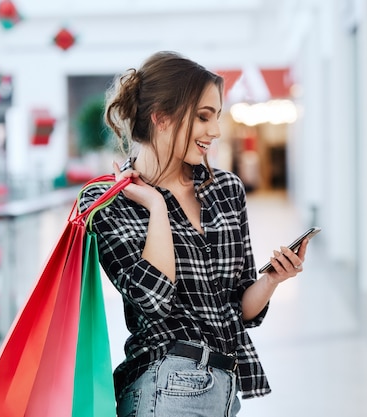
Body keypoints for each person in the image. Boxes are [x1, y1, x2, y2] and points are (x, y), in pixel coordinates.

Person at [79, 51, 308, 417]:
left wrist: (272, 280)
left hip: (224, 388)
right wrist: (156, 207)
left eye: (216, 116)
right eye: (203, 117)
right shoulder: (107, 201)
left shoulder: (226, 190)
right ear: (161, 118)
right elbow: (153, 298)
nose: (215, 131)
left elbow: (238, 311)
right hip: (164, 384)